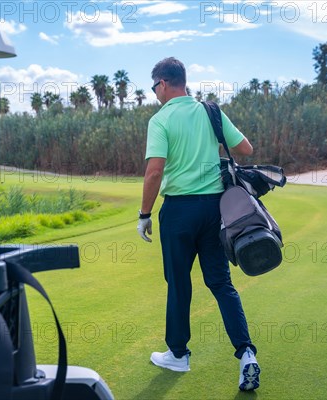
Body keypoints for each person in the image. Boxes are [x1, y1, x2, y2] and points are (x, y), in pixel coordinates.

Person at [137, 57, 260, 391]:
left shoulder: (160, 119)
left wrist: (144, 215)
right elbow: (245, 148)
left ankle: (178, 354)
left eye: (154, 87)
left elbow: (154, 171)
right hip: (216, 210)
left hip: (178, 211)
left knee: (179, 283)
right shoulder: (211, 111)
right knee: (221, 283)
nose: (155, 93)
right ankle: (246, 352)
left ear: (162, 83)